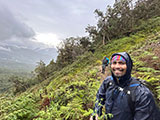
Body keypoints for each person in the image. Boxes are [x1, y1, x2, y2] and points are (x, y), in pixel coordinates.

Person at [90, 52, 160, 120]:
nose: (117, 66)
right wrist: (96, 112)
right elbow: (100, 96)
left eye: (121, 63)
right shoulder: (108, 82)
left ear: (128, 66)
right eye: (114, 63)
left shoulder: (142, 93)